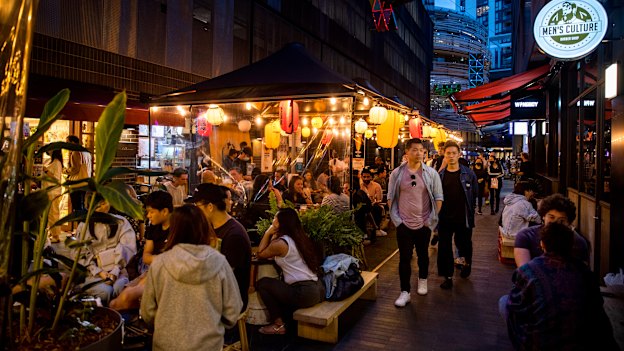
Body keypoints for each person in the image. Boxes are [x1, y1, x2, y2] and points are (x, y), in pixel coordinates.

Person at [501, 223, 618, 350]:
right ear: (571, 246)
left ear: (542, 244)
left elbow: (514, 307)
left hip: (539, 343)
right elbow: (598, 311)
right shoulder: (584, 271)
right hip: (585, 343)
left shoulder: (528, 270)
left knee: (504, 302)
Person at [140, 204, 242, 351]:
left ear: (173, 230)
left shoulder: (160, 263)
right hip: (208, 346)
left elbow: (147, 312)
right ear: (203, 227)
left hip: (166, 344)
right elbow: (232, 311)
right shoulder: (219, 262)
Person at [388, 138, 443, 307]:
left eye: (421, 150)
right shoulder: (397, 173)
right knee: (404, 258)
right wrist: (397, 220)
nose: (419, 153)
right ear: (406, 152)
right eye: (415, 150)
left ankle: (423, 279)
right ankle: (405, 292)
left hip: (424, 223)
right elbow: (391, 197)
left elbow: (439, 198)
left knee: (423, 255)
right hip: (403, 224)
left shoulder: (431, 173)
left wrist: (430, 220)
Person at [256, 208, 324, 335]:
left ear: (282, 223)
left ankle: (278, 325)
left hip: (304, 292)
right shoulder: (299, 238)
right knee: (277, 285)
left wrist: (267, 232)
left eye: (275, 219)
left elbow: (260, 253)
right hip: (318, 289)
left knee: (263, 283)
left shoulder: (281, 243)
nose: (272, 221)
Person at [189, 183, 251, 311]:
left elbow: (225, 278)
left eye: (197, 206)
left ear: (210, 207)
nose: (195, 210)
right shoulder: (210, 228)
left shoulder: (234, 235)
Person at [109, 191, 172, 311]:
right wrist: (163, 259)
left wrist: (160, 260)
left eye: (152, 212)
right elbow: (146, 256)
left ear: (164, 211)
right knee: (122, 296)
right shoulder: (154, 227)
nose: (148, 216)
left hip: (166, 274)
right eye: (147, 212)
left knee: (127, 299)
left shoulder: (178, 227)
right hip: (152, 269)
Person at [74, 195, 136, 305]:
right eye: (97, 205)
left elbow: (127, 247)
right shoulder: (84, 226)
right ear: (89, 207)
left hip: (118, 271)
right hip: (92, 273)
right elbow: (79, 254)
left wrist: (115, 271)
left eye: (104, 203)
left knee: (119, 288)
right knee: (105, 292)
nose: (102, 207)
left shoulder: (121, 222)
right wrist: (99, 272)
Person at [437, 140, 478, 289]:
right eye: (448, 153)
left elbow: (474, 194)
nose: (451, 156)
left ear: (459, 154)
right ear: (444, 155)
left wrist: (471, 211)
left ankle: (467, 262)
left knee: (465, 245)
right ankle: (447, 277)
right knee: (444, 248)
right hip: (445, 218)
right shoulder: (440, 175)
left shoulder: (468, 174)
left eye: (454, 153)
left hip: (463, 217)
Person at [514, 193, 589, 267]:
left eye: (562, 220)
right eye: (551, 217)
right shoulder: (526, 235)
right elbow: (523, 270)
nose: (555, 223)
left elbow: (579, 272)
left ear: (569, 222)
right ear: (543, 216)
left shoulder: (577, 242)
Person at [64, 135, 92, 213]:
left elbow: (75, 169)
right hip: (85, 181)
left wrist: (65, 171)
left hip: (77, 183)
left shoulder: (75, 152)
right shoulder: (86, 152)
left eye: (67, 143)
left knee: (77, 207)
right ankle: (84, 223)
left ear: (72, 142)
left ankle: (80, 223)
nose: (66, 145)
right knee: (82, 204)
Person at [43, 149, 63, 242]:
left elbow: (56, 178)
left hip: (53, 192)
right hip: (50, 191)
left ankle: (56, 235)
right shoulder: (53, 162)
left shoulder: (57, 162)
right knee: (51, 214)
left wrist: (46, 171)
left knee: (53, 214)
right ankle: (53, 232)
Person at [360, 168, 386, 237]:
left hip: (374, 205)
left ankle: (376, 229)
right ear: (361, 177)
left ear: (371, 177)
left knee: (376, 208)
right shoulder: (360, 187)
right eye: (364, 177)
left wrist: (373, 202)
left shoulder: (376, 186)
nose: (366, 179)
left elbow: (379, 199)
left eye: (368, 177)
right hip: (363, 206)